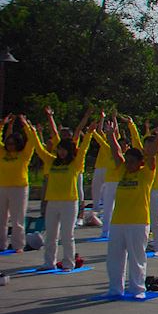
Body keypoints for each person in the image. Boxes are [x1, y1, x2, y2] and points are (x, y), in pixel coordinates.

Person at [103, 119, 158, 298]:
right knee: (114, 258)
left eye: (132, 161)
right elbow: (116, 153)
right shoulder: (122, 171)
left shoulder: (146, 174)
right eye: (127, 161)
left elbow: (152, 153)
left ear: (140, 162)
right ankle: (115, 289)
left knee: (137, 258)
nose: (128, 164)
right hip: (118, 222)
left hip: (138, 222)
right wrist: (111, 135)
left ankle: (138, 289)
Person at [34, 110, 93, 269]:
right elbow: (39, 149)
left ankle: (68, 262)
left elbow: (84, 149)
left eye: (63, 149)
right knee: (51, 235)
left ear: (69, 150)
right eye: (59, 149)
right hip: (52, 202)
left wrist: (89, 133)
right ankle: (49, 262)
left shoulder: (75, 163)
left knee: (67, 235)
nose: (61, 152)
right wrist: (31, 131)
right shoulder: (52, 161)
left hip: (69, 203)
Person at [125, 117, 158, 255]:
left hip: (155, 191)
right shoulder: (141, 158)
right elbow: (135, 140)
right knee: (142, 221)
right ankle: (142, 245)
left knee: (155, 221)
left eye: (151, 146)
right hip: (142, 191)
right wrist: (131, 124)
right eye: (146, 145)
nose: (148, 148)